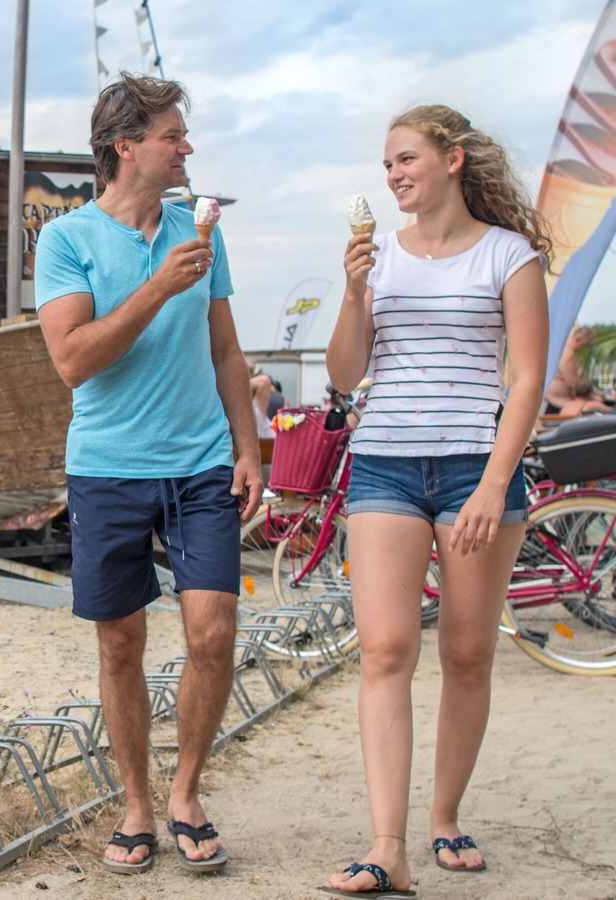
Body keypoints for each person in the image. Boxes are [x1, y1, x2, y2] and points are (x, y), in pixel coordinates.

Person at [33, 73, 264, 875]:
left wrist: (250, 444)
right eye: (173, 136)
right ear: (125, 146)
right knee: (121, 643)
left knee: (212, 630)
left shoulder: (202, 230)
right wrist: (160, 284)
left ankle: (186, 793)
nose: (187, 148)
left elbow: (226, 349)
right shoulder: (65, 241)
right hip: (107, 469)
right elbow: (73, 361)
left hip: (202, 462)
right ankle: (136, 804)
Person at [322, 105, 550, 897]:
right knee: (385, 650)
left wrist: (494, 479)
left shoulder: (509, 256)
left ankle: (444, 817)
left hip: (474, 471)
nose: (394, 176)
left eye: (407, 159)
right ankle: (388, 846)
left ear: (452, 160)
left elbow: (527, 379)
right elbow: (346, 377)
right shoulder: (376, 257)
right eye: (387, 165)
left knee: (465, 652)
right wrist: (354, 294)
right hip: (383, 465)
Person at [544, 324, 599, 414]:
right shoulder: (567, 354)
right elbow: (574, 383)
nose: (588, 349)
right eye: (587, 345)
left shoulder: (574, 354)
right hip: (557, 404)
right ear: (578, 340)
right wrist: (596, 397)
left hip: (564, 403)